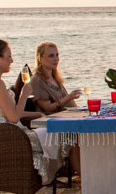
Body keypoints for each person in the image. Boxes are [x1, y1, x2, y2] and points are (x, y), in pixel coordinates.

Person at [0, 39, 64, 185]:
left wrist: (36, 114)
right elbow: (13, 117)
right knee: (59, 134)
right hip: (10, 137)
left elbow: (7, 112)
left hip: (6, 131)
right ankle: (58, 174)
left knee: (52, 131)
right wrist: (23, 94)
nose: (12, 60)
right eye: (9, 56)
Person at [29, 41, 83, 174]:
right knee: (74, 138)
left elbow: (71, 105)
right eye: (51, 56)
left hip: (66, 118)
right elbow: (47, 107)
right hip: (49, 122)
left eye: (57, 55)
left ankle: (91, 170)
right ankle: (84, 176)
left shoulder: (55, 77)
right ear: (40, 59)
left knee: (91, 132)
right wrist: (68, 98)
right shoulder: (36, 80)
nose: (56, 59)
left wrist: (82, 112)